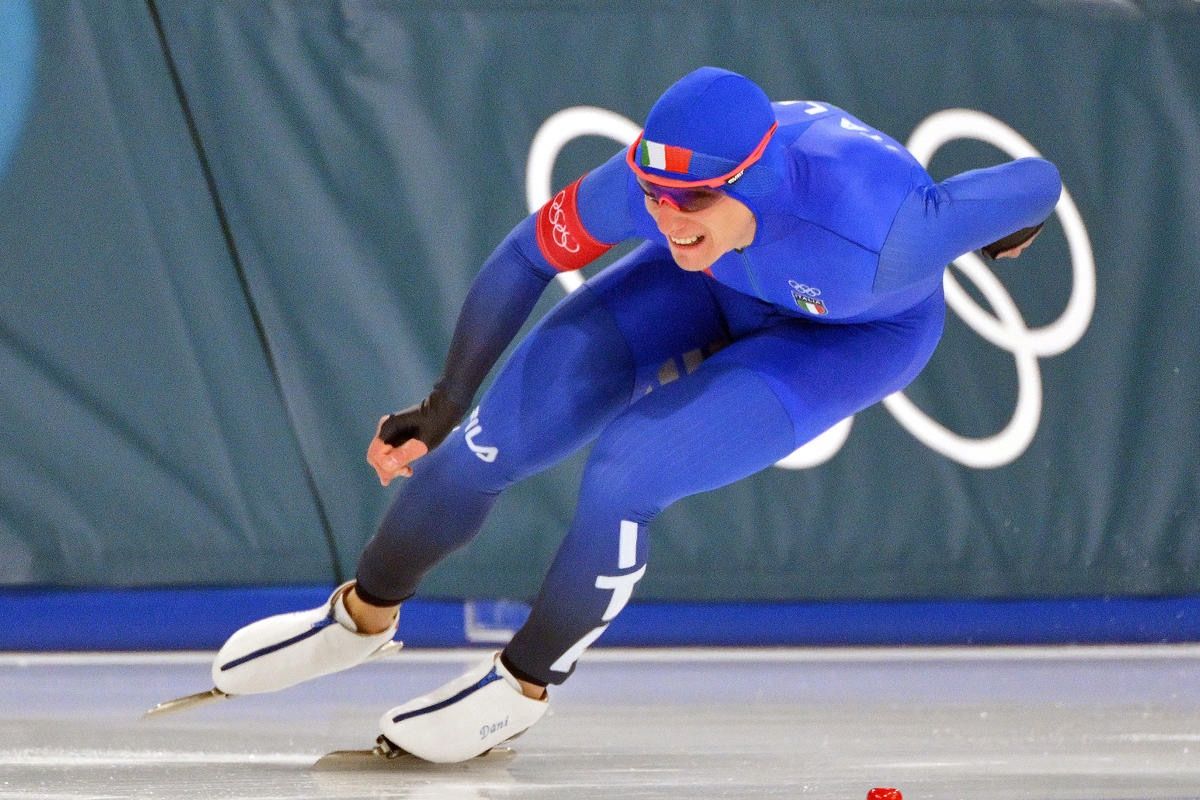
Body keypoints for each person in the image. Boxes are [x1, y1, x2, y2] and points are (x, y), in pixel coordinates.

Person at [210, 67, 1062, 762]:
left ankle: (521, 685)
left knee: (625, 473)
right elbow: (526, 257)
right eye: (655, 194)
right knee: (484, 445)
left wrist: (1013, 225)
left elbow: (1038, 181)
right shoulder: (652, 185)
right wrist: (443, 402)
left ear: (753, 179)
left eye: (689, 200)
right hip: (715, 282)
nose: (665, 214)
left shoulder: (885, 232)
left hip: (844, 338)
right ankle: (359, 615)